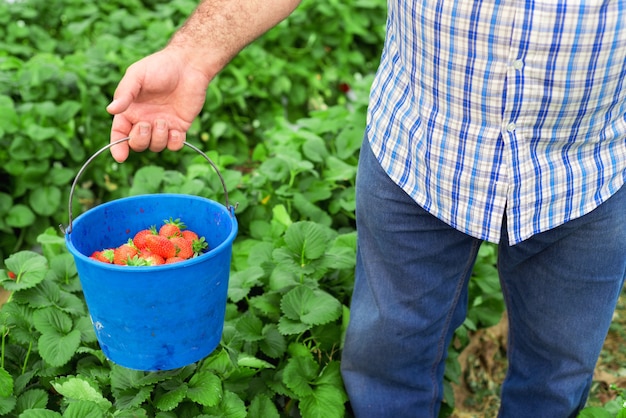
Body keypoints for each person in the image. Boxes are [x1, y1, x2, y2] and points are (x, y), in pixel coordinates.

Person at [108, 1, 626, 417]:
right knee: (389, 358)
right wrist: (194, 53)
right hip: (420, 147)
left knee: (559, 373)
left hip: (589, 166)